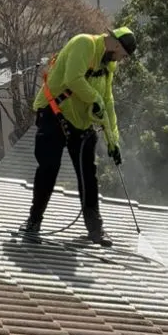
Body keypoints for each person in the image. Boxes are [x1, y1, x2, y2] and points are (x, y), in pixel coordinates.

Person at [21, 26, 137, 247]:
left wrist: (113, 140)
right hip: (54, 113)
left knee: (88, 174)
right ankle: (33, 222)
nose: (121, 60)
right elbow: (72, 79)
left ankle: (96, 230)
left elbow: (107, 101)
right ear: (115, 43)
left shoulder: (108, 65)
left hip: (81, 121)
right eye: (122, 55)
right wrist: (95, 99)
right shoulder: (84, 44)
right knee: (49, 168)